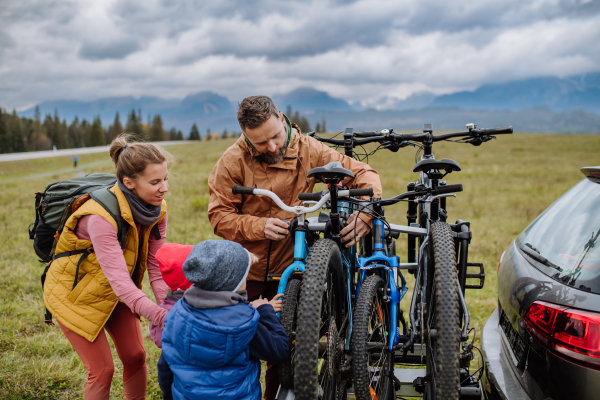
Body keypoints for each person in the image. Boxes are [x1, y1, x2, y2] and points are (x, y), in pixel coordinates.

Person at [207, 95, 383, 399]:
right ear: (246, 137)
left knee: (284, 349)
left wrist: (367, 210)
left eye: (275, 136)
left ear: (281, 118)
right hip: (245, 270)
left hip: (291, 265)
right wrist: (259, 226)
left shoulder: (308, 148)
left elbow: (364, 173)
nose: (272, 147)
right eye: (261, 143)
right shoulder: (232, 160)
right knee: (234, 345)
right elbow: (219, 216)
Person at [43, 134, 172, 400]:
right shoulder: (99, 217)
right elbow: (122, 284)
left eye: (165, 179)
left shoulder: (157, 209)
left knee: (136, 356)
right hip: (74, 296)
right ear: (129, 183)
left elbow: (156, 268)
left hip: (112, 292)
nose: (164, 188)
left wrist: (166, 306)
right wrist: (159, 317)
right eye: (155, 182)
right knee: (102, 370)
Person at [159, 239, 288, 400]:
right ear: (232, 283)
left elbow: (165, 366)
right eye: (244, 278)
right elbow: (280, 349)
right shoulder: (245, 323)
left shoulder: (176, 313)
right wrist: (264, 310)